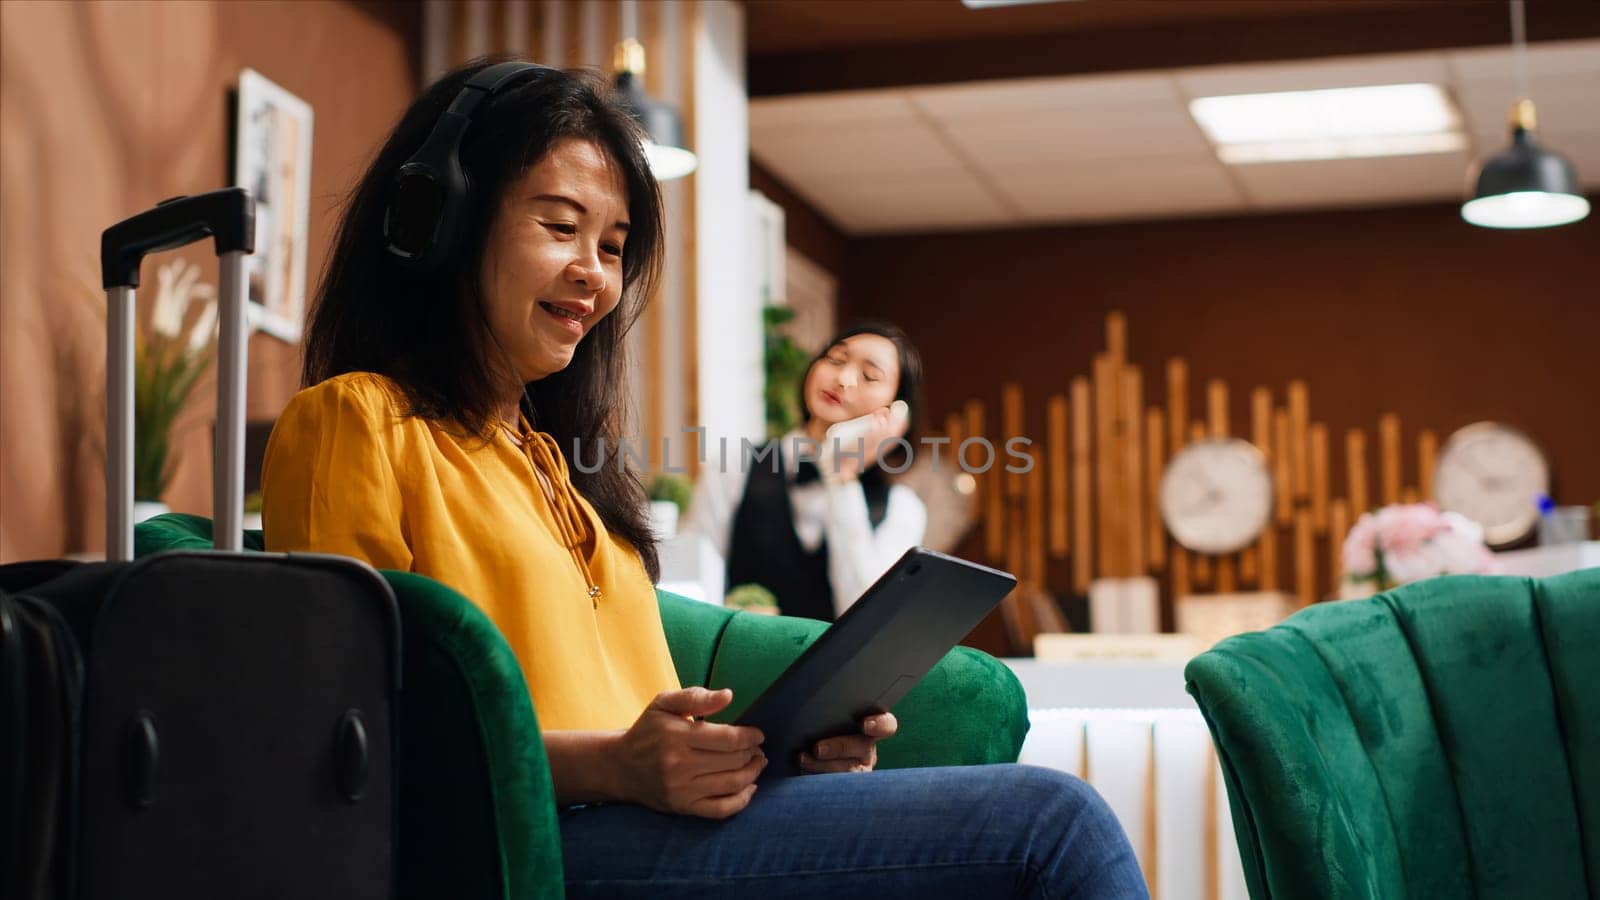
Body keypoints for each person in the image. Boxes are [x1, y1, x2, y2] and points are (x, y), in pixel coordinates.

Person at [261, 58, 1147, 899]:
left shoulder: (556, 468)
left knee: (1039, 821)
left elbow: (634, 715)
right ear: (444, 226)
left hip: (643, 825)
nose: (594, 276)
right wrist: (614, 763)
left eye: (612, 247)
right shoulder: (357, 422)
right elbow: (353, 734)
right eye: (560, 227)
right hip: (522, 845)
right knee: (1051, 824)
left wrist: (761, 752)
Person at [684, 323, 927, 621]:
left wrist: (843, 475)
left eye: (870, 376)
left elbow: (869, 621)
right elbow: (695, 586)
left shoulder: (902, 509)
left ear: (895, 413)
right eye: (836, 359)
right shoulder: (734, 466)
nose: (843, 378)